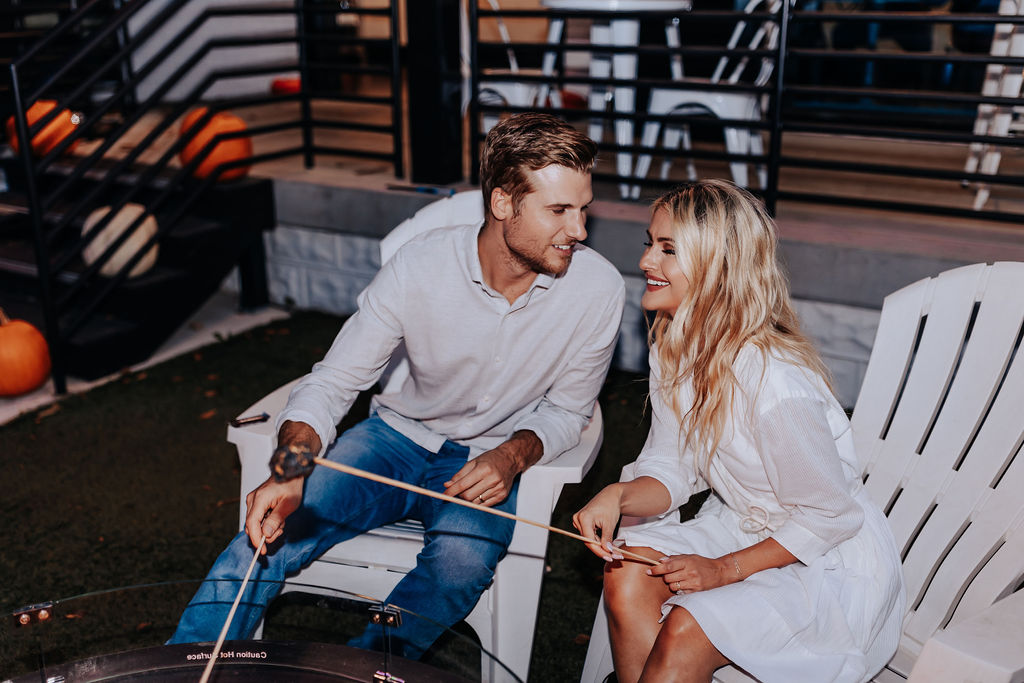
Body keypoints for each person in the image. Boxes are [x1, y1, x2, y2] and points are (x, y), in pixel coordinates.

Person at [169, 112, 626, 658]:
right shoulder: (420, 266)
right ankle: (177, 668)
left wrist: (511, 456)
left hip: (486, 460)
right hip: (394, 439)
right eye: (559, 210)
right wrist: (289, 471)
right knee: (274, 531)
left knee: (459, 565)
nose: (578, 230)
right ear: (503, 203)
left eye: (583, 210)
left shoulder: (596, 288)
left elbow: (568, 411)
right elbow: (336, 380)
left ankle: (367, 667)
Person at [572, 180, 905, 683]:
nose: (645, 262)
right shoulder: (675, 346)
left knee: (688, 625)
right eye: (649, 243)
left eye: (668, 250)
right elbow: (674, 467)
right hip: (741, 524)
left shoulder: (774, 383)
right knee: (628, 573)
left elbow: (830, 516)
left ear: (718, 271)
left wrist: (723, 570)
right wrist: (618, 495)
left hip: (822, 561)